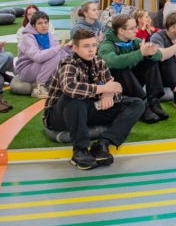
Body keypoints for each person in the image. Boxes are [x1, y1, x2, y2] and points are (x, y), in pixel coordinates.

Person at [43, 28, 144, 170]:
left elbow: (115, 87)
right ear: (75, 48)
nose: (91, 50)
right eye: (86, 46)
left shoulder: (99, 62)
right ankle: (80, 150)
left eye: (94, 45)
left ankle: (103, 144)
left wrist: (108, 94)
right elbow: (69, 88)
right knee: (74, 98)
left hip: (88, 109)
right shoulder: (68, 64)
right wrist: (102, 89)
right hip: (61, 115)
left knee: (136, 104)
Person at [99, 15, 168, 123]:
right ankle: (143, 105)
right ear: (121, 31)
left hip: (132, 82)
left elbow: (159, 55)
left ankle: (154, 101)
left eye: (136, 27)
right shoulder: (107, 45)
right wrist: (140, 53)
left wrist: (151, 52)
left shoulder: (135, 41)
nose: (136, 30)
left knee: (150, 61)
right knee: (121, 69)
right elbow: (112, 62)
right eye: (132, 28)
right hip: (116, 85)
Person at [16, 11, 73, 98]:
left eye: (46, 22)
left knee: (63, 55)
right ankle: (40, 87)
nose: (44, 25)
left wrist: (68, 47)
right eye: (40, 23)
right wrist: (58, 48)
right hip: (26, 69)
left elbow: (59, 51)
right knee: (55, 56)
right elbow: (37, 57)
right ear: (33, 25)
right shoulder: (28, 38)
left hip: (40, 66)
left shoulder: (50, 35)